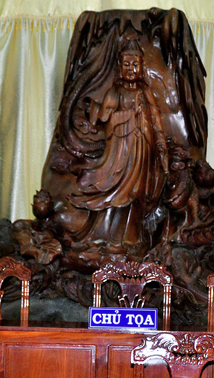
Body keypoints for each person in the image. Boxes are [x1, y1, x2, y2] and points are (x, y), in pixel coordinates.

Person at [69, 36, 169, 254]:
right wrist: (128, 115)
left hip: (142, 151)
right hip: (120, 154)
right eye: (126, 65)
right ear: (119, 67)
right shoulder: (115, 92)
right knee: (118, 194)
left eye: (135, 65)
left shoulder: (146, 93)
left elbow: (156, 121)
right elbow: (106, 118)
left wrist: (160, 145)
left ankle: (133, 239)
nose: (131, 69)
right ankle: (108, 238)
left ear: (141, 66)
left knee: (137, 195)